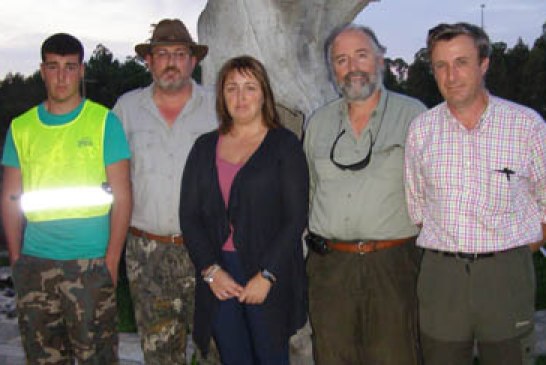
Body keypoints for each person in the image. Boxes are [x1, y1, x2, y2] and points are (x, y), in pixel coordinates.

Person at [405, 22, 546, 365]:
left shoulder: (526, 125)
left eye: (461, 62)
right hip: (442, 278)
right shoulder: (421, 130)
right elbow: (417, 206)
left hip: (506, 274)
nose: (451, 75)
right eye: (441, 65)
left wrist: (515, 247)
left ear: (484, 64)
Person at [1, 33, 131, 364]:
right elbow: (10, 197)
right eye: (54, 67)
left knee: (96, 358)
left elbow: (124, 196)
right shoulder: (21, 128)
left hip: (90, 266)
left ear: (81, 70)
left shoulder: (104, 123)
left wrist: (112, 261)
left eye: (70, 67)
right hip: (36, 265)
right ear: (42, 70)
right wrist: (17, 260)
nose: (62, 76)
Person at [303, 23, 426, 364]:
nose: (352, 67)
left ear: (380, 59)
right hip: (331, 267)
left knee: (397, 355)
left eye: (361, 55)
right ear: (332, 70)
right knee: (332, 355)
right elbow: (311, 189)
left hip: (394, 265)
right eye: (341, 60)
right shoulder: (318, 123)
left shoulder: (414, 116)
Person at [179, 55, 308, 365]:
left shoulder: (284, 146)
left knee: (271, 357)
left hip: (266, 272)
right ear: (221, 96)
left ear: (264, 93)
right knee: (234, 357)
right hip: (221, 274)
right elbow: (190, 216)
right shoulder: (204, 147)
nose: (240, 97)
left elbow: (296, 218)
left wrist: (267, 275)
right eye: (231, 88)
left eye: (249, 87)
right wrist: (210, 271)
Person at [112, 19, 217, 364]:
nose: (171, 61)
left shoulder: (219, 108)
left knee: (218, 349)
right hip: (146, 252)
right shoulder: (125, 110)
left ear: (193, 61)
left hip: (209, 251)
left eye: (179, 53)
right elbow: (111, 180)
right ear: (149, 61)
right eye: (162, 54)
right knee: (159, 353)